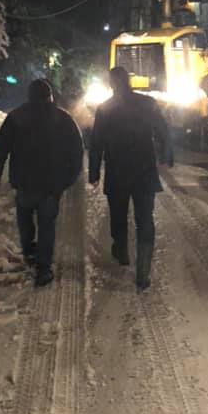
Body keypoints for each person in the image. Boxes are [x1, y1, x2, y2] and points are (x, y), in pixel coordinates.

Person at [0, 78, 83, 287]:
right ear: (50, 96)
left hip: (24, 182)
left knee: (25, 219)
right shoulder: (63, 118)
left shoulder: (16, 117)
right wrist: (69, 178)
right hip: (51, 184)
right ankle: (44, 268)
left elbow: (0, 147)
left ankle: (29, 251)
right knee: (47, 224)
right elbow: (77, 150)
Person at [88, 66, 173, 291]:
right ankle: (143, 270)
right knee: (145, 219)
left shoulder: (104, 109)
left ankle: (122, 250)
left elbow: (96, 143)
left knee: (118, 214)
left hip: (117, 171)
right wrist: (166, 156)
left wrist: (94, 172)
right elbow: (163, 130)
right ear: (129, 81)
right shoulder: (147, 103)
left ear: (111, 83)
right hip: (144, 170)